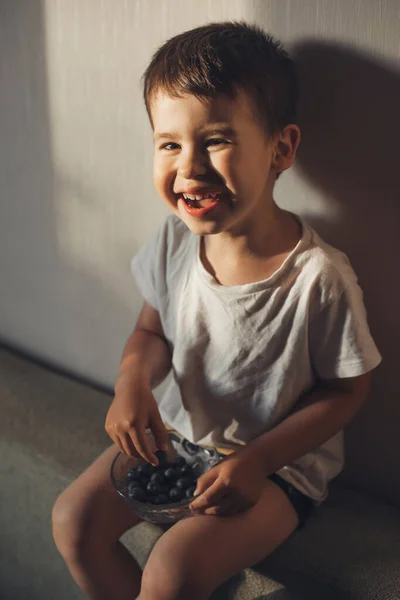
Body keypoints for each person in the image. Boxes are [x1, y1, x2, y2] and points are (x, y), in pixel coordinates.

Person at [52, 21, 382, 600]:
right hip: (180, 437)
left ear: (281, 148)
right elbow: (151, 329)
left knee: (172, 571)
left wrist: (258, 460)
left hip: (278, 470)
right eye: (170, 144)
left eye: (217, 140)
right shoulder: (174, 242)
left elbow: (347, 391)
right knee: (72, 521)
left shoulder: (318, 278)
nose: (189, 167)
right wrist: (132, 384)